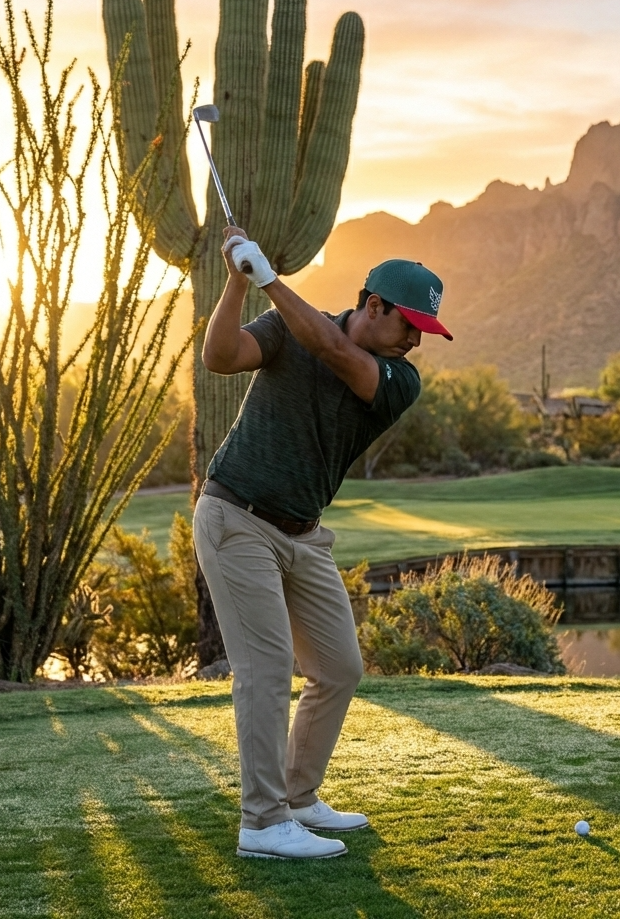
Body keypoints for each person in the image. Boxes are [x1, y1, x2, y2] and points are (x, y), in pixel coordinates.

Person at [193, 227, 452, 861]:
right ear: (373, 305)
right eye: (409, 324)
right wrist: (236, 281)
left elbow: (336, 352)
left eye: (425, 330)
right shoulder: (288, 329)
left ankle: (299, 797)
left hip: (304, 535)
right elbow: (221, 358)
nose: (416, 340)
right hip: (236, 518)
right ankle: (262, 822)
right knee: (264, 671)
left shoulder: (396, 378)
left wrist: (271, 281)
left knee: (339, 667)